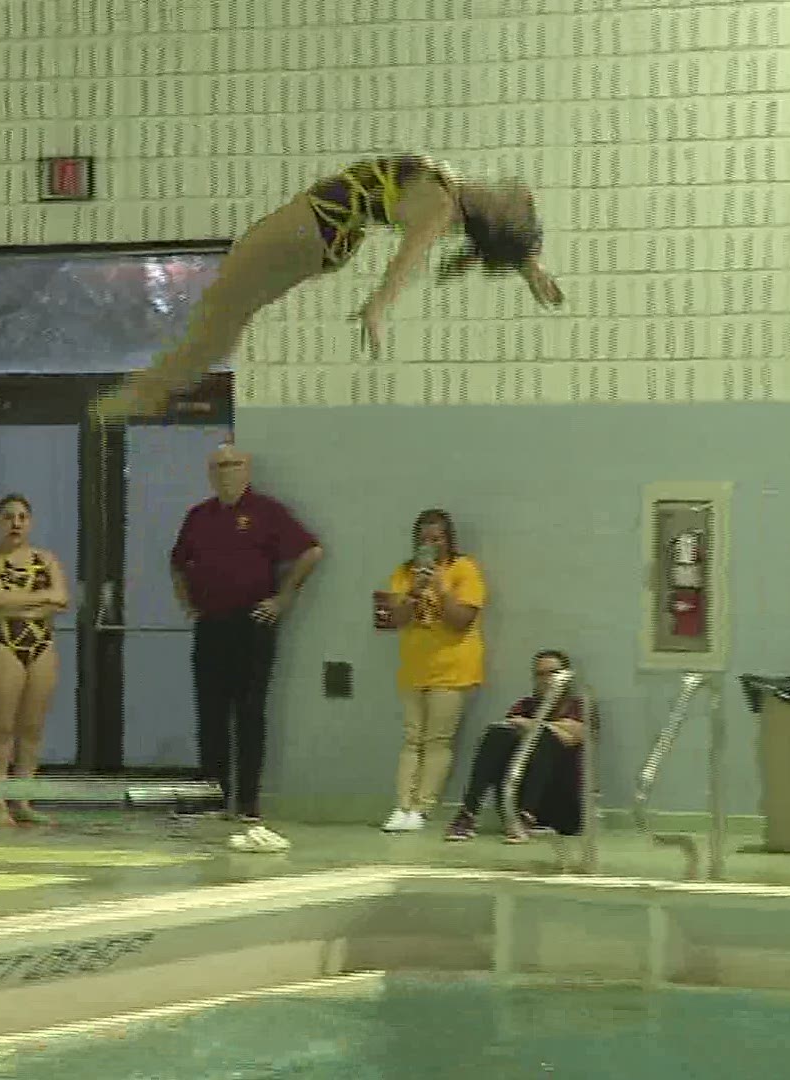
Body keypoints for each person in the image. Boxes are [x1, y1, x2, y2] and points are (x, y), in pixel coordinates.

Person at [90, 155, 566, 421]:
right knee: (230, 310)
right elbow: (511, 213)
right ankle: (160, 384)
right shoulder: (456, 195)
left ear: (492, 216)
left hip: (314, 227)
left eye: (506, 207)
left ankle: (152, 387)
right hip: (325, 237)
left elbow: (406, 262)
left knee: (225, 303)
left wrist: (377, 308)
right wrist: (530, 267)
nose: (504, 194)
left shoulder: (440, 208)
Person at [170, 442, 323, 830]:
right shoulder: (199, 516)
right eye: (219, 466)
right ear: (210, 473)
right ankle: (212, 797)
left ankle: (249, 802)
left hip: (252, 623)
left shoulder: (267, 512)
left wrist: (284, 597)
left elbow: (311, 551)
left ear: (247, 470)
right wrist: (187, 602)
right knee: (211, 714)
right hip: (211, 625)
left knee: (250, 713)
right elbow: (177, 564)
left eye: (233, 464)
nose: (226, 471)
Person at [380, 509, 487, 833]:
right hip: (414, 668)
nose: (430, 544)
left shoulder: (463, 569)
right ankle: (402, 806)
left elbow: (461, 621)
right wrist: (413, 592)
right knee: (411, 739)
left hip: (453, 669)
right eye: (423, 539)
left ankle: (423, 808)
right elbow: (393, 620)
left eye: (436, 538)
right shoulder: (404, 572)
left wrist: (440, 589)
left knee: (437, 740)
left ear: (448, 539)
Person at [0, 493, 72, 827]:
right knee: (3, 726)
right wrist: (39, 601)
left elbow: (62, 599)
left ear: (30, 523)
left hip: (41, 644)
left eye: (22, 517)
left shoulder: (45, 559)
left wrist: (19, 603)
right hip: (2, 642)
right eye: (8, 517)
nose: (15, 523)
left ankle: (23, 799)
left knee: (32, 729)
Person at [444, 649, 589, 844]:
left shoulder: (580, 706)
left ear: (565, 675)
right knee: (497, 734)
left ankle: (527, 817)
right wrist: (556, 728)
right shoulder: (525, 705)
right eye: (540, 674)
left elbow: (577, 735)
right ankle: (468, 813)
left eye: (552, 673)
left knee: (544, 737)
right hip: (517, 798)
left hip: (562, 805)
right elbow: (508, 730)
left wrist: (536, 726)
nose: (546, 679)